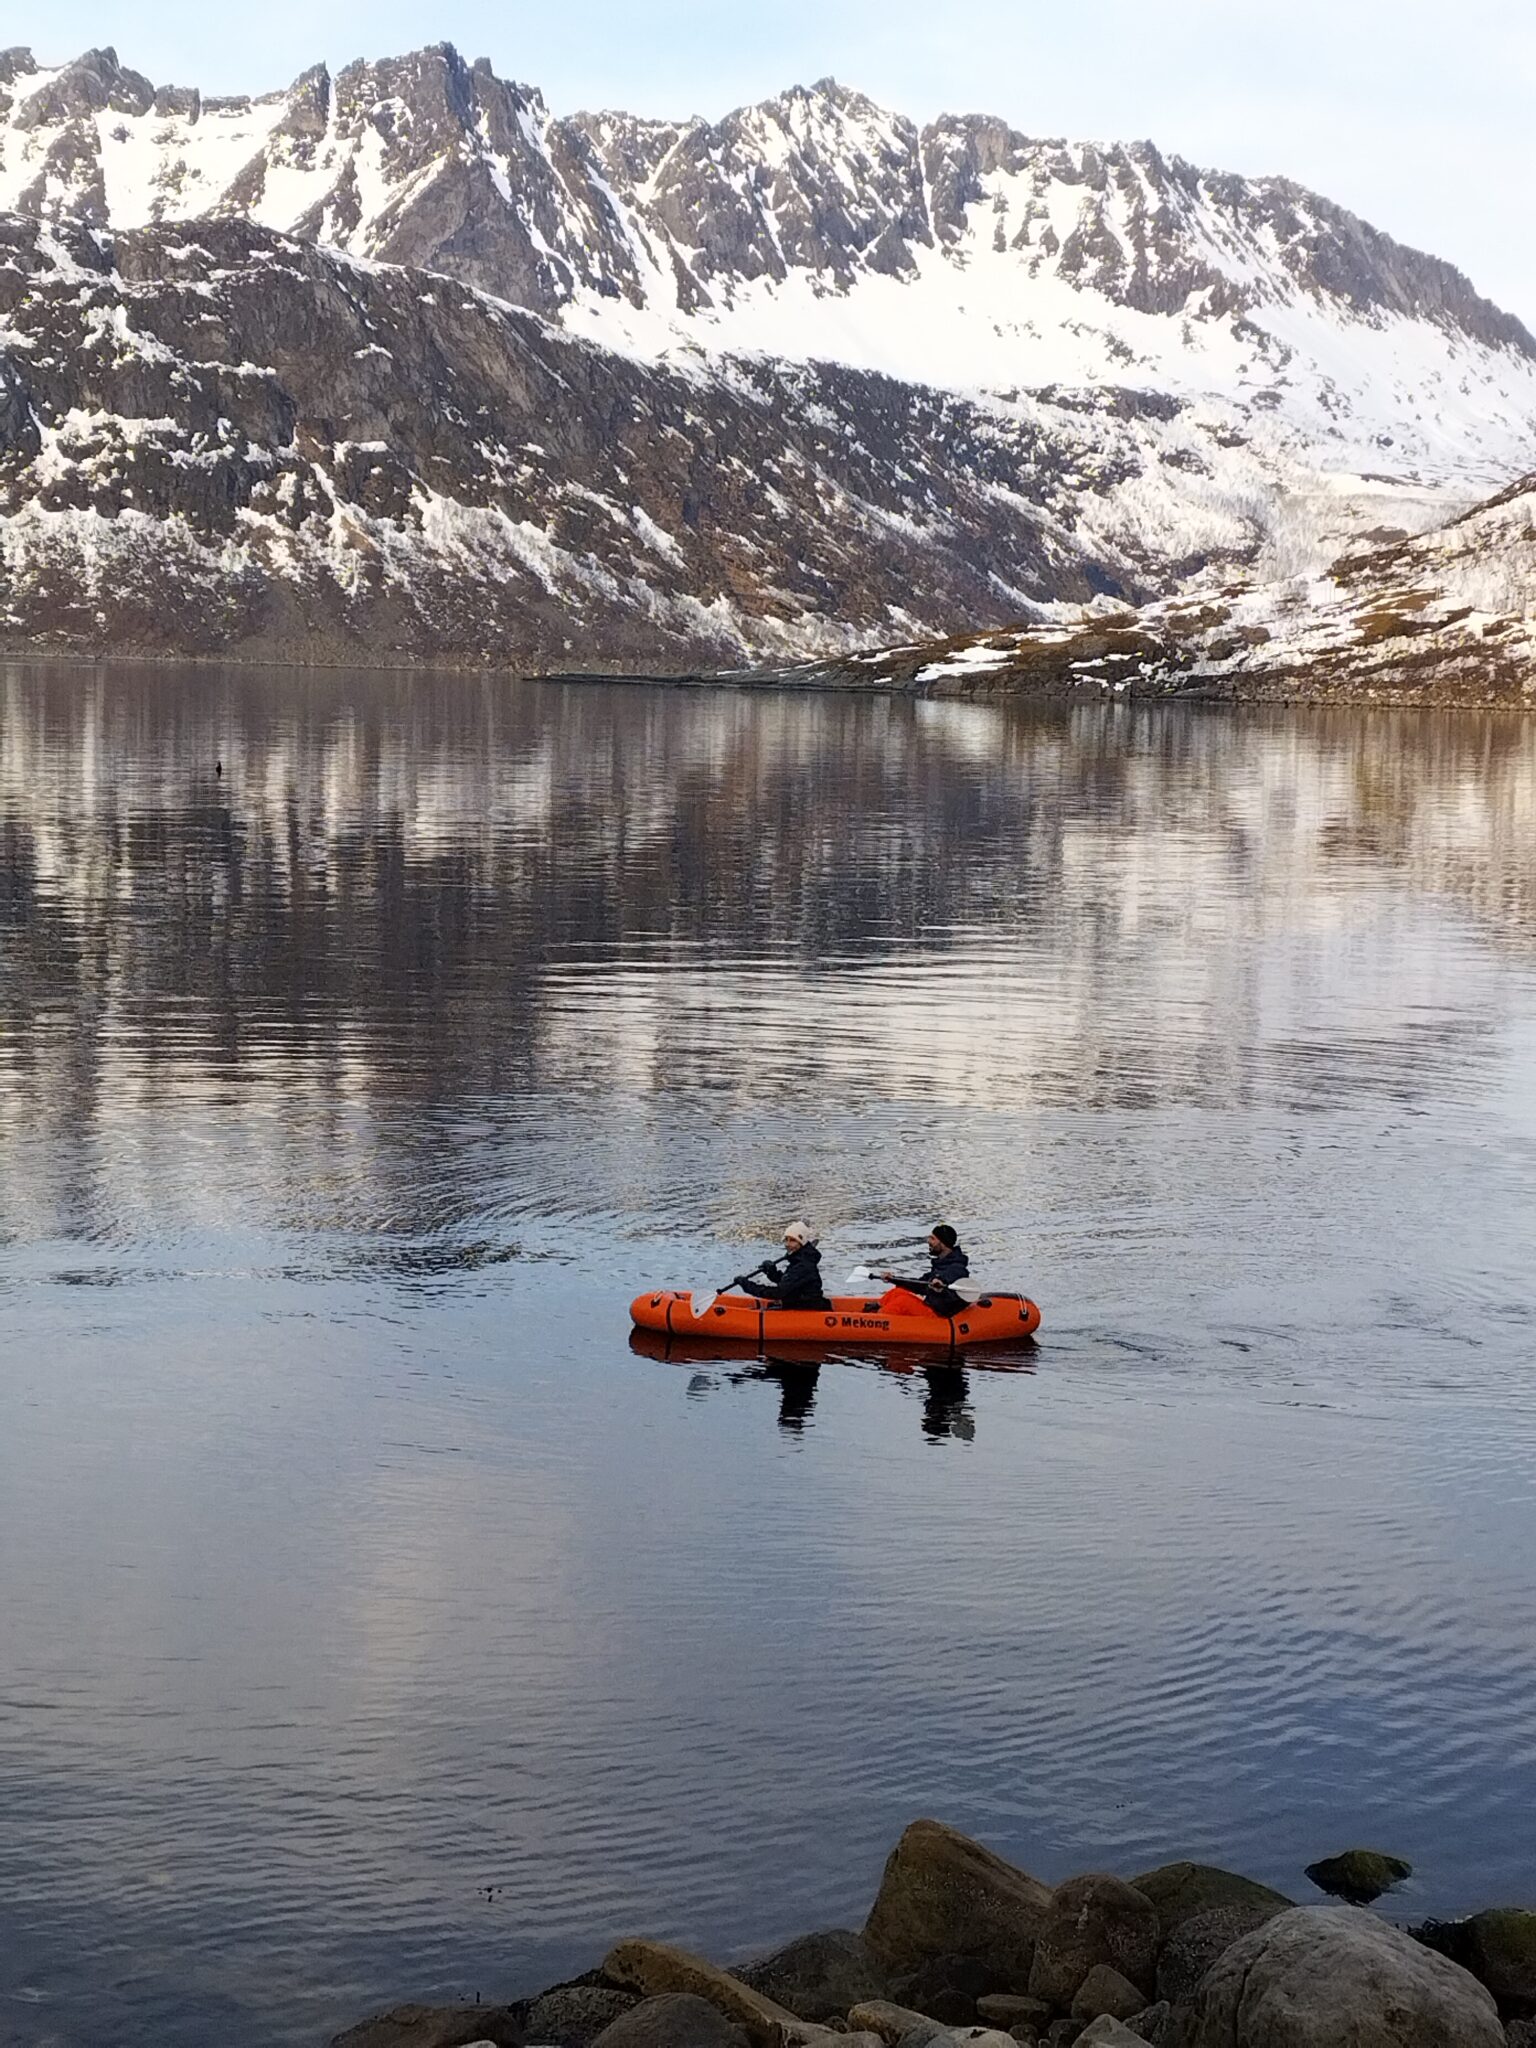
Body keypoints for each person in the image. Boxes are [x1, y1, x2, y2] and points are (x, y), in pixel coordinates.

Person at [882, 1224, 971, 1317]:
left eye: (933, 1238)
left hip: (939, 1316)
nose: (928, 1241)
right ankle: (873, 1313)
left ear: (943, 1244)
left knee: (902, 1303)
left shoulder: (957, 1268)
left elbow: (951, 1277)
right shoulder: (941, 1264)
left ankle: (875, 1322)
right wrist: (893, 1279)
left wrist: (940, 1283)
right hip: (930, 1306)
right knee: (896, 1292)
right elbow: (920, 1284)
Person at [736, 1222, 830, 1310]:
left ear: (802, 1243)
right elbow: (790, 1283)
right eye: (786, 1240)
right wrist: (772, 1273)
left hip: (809, 1310)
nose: (788, 1244)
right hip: (800, 1305)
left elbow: (778, 1293)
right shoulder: (799, 1261)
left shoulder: (803, 1266)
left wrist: (748, 1286)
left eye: (793, 1240)